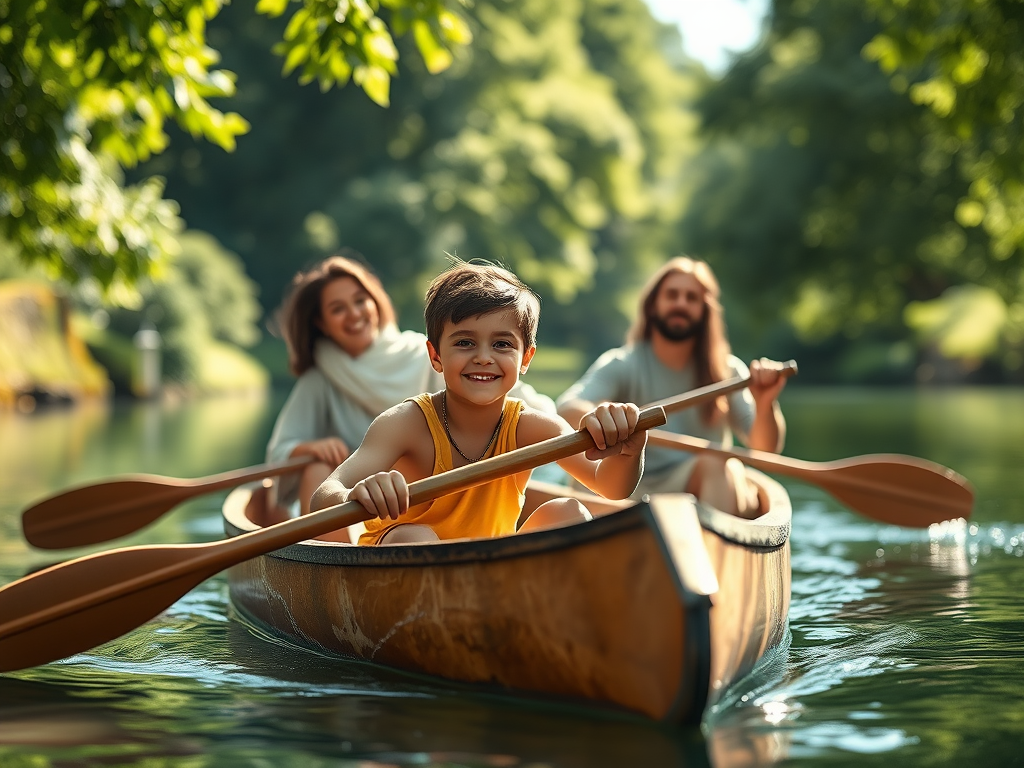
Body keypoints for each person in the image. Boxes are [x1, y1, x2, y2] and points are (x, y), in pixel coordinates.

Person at [310, 262, 650, 545]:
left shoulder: (533, 427)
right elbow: (324, 494)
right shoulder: (406, 423)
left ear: (526, 358)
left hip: (486, 582)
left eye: (502, 344)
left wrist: (627, 449)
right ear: (435, 355)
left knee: (569, 513)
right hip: (401, 579)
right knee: (416, 537)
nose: (483, 358)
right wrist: (357, 495)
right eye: (465, 343)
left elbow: (610, 486)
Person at [265, 253, 556, 531]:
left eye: (359, 301)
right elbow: (292, 460)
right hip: (375, 508)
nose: (353, 313)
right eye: (338, 309)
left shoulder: (419, 352)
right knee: (317, 471)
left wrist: (578, 426)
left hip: (438, 491)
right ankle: (335, 562)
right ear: (321, 322)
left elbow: (503, 392)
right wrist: (320, 458)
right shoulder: (322, 379)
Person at [556, 256, 788, 519]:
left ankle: (708, 555)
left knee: (721, 465)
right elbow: (565, 409)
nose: (681, 303)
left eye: (691, 298)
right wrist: (606, 419)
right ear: (654, 305)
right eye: (672, 295)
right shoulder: (623, 363)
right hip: (625, 490)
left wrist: (765, 402)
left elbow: (766, 450)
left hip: (696, 490)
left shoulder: (729, 372)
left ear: (705, 310)